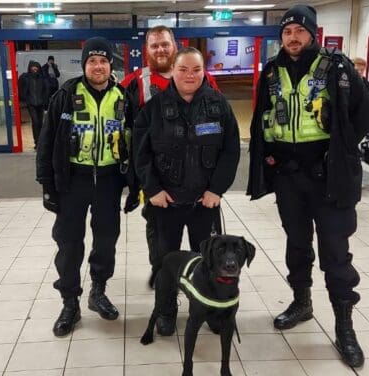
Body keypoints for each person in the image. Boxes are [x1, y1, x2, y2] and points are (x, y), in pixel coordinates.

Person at [247, 5, 369, 368]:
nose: (292, 37)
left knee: (336, 253)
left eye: (299, 32)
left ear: (312, 34)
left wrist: (339, 152)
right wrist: (270, 159)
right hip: (289, 178)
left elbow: (363, 115)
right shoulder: (272, 71)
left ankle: (344, 327)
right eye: (287, 32)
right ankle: (302, 302)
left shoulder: (338, 69)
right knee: (297, 245)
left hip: (329, 179)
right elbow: (263, 117)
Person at [134, 47, 240, 335]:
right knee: (165, 260)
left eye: (195, 69)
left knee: (209, 260)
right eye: (183, 69)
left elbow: (231, 151)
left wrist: (217, 190)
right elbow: (140, 153)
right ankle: (166, 310)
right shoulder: (154, 108)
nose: (189, 75)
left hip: (203, 203)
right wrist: (152, 188)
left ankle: (211, 308)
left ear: (203, 71)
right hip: (164, 203)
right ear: (174, 71)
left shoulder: (218, 106)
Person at [36, 37, 135, 337]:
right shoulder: (66, 95)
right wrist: (47, 186)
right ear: (84, 65)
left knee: (106, 241)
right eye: (92, 61)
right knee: (69, 245)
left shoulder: (122, 97)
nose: (98, 66)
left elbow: (135, 142)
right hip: (72, 182)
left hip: (109, 181)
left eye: (103, 61)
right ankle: (69, 303)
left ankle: (98, 292)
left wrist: (135, 186)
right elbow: (47, 142)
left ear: (110, 65)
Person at [121, 25, 219, 288]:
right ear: (147, 50)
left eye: (165, 44)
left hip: (200, 179)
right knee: (160, 235)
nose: (160, 50)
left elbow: (219, 127)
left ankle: (204, 286)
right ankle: (163, 278)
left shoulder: (202, 77)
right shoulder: (134, 82)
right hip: (157, 180)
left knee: (205, 240)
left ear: (175, 46)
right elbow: (129, 134)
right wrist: (140, 181)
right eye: (154, 45)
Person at [19, 60, 50, 149]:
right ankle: (37, 142)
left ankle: (40, 141)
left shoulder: (42, 78)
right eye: (33, 67)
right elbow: (21, 88)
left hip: (41, 103)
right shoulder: (26, 78)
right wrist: (25, 98)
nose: (35, 68)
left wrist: (46, 100)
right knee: (35, 122)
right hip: (31, 104)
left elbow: (46, 90)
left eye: (36, 67)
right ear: (30, 67)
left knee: (40, 123)